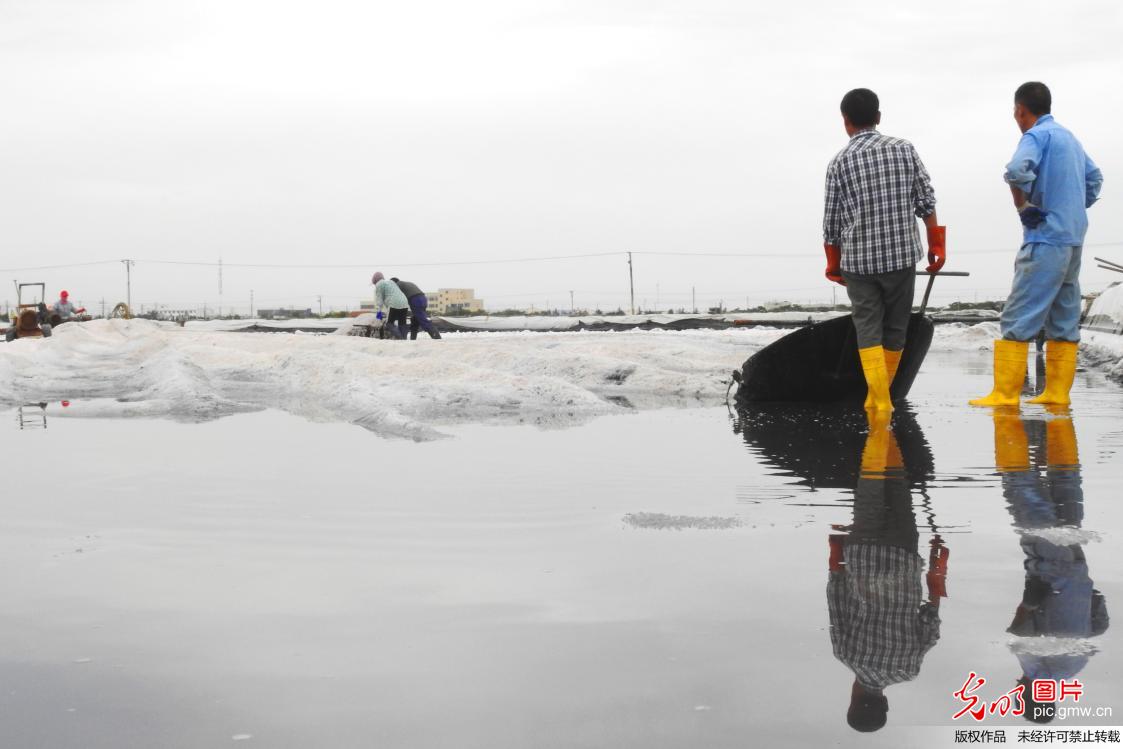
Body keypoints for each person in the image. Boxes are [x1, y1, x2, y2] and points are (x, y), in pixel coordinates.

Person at [971, 82, 1103, 407]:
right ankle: (1056, 394)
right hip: (1073, 237)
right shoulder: (1070, 138)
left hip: (1045, 237)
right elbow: (1095, 178)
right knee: (1063, 316)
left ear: (1020, 110)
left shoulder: (1035, 136)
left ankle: (1004, 395)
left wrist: (1024, 206)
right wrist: (1071, 205)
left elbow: (1017, 170)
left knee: (1019, 313)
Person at [823, 88, 946, 414]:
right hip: (901, 256)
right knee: (896, 327)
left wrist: (832, 263)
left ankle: (876, 397)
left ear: (845, 122)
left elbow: (831, 220)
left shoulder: (839, 162)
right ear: (878, 117)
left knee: (867, 326)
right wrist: (936, 244)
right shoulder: (904, 149)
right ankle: (882, 399)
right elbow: (926, 200)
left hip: (858, 261)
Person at [826, 416, 947, 732]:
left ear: (885, 703)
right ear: (852, 699)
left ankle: (889, 427)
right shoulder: (847, 655)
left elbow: (931, 618)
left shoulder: (910, 668)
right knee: (870, 481)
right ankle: (878, 425)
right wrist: (835, 552)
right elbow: (837, 597)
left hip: (904, 556)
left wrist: (938, 570)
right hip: (864, 553)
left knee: (897, 484)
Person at [992, 408, 1108, 722]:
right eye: (1018, 693)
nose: (1016, 686)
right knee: (1026, 502)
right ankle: (1008, 427)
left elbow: (1100, 625)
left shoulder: (1074, 667)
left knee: (1066, 493)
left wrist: (1088, 595)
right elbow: (1023, 622)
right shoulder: (1035, 666)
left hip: (1077, 571)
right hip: (1049, 570)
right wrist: (1031, 600)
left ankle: (1060, 423)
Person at [371, 271, 409, 339]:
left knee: (389, 323)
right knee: (402, 323)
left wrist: (379, 314)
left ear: (375, 280)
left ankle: (401, 339)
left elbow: (379, 300)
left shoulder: (379, 284)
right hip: (404, 302)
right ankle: (404, 340)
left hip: (393, 303)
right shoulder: (391, 282)